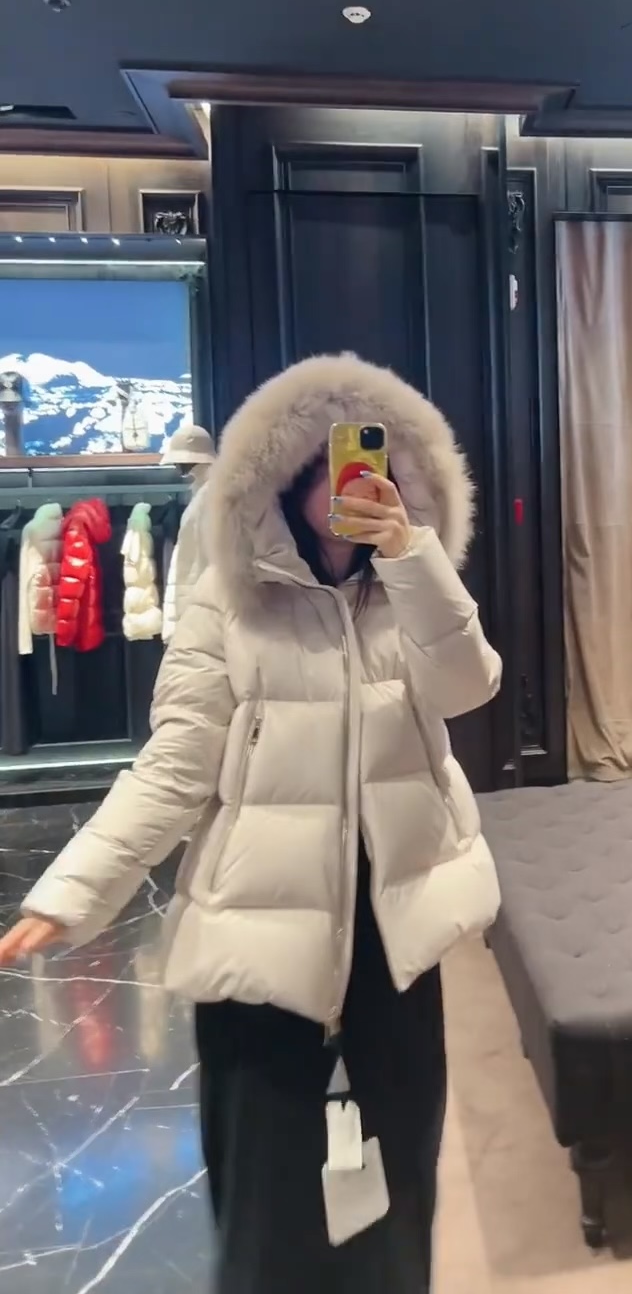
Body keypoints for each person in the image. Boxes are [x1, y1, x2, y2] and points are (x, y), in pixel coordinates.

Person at [0, 353, 503, 1294]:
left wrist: (413, 557)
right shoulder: (227, 605)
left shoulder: (411, 591)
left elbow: (468, 685)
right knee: (269, 1191)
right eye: (338, 467)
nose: (362, 485)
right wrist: (77, 888)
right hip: (259, 938)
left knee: (398, 1181)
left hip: (395, 933)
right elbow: (175, 763)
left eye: (382, 467)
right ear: (288, 481)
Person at [160, 422, 216, 641]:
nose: (177, 467)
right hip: (200, 599)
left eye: (179, 461)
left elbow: (199, 562)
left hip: (202, 600)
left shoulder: (209, 496)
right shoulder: (203, 492)